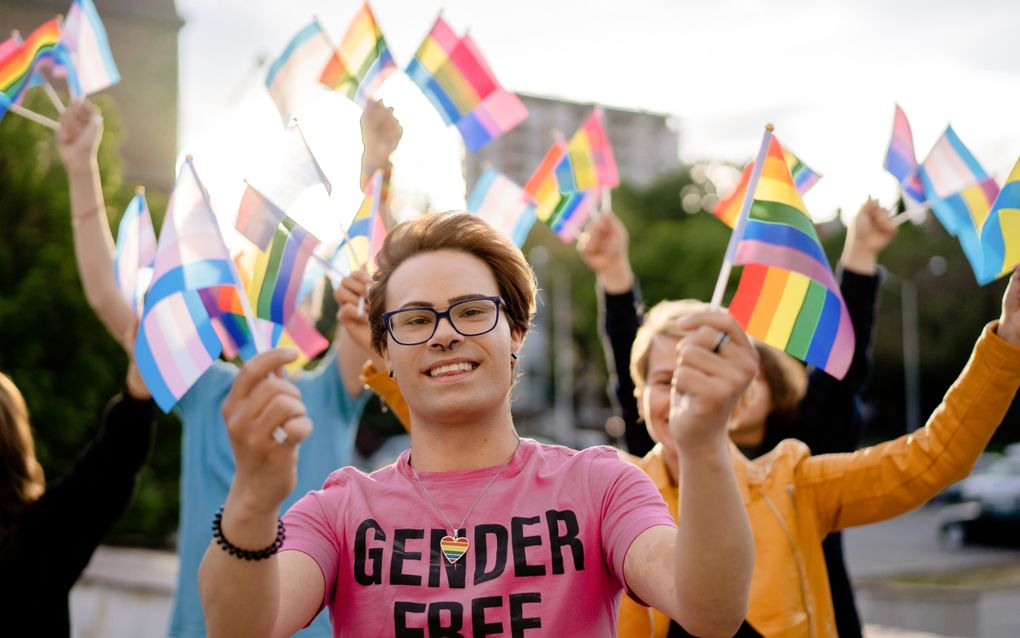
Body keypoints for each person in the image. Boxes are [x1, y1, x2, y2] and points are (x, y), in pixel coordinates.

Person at [198, 212, 757, 637]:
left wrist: (704, 445)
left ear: (514, 334)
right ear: (384, 352)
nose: (444, 334)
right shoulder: (338, 510)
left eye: (471, 311)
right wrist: (252, 497)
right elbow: (245, 627)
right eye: (415, 320)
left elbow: (710, 611)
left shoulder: (601, 486)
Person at [57, 98, 404, 638]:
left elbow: (372, 275)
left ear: (318, 315)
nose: (276, 293)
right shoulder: (204, 385)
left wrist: (376, 164)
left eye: (296, 286)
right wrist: (81, 168)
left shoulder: (332, 393)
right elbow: (108, 298)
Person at [603, 275, 1020, 633]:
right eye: (663, 381)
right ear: (637, 399)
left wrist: (1008, 342)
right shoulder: (611, 499)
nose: (682, 392)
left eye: (699, 374)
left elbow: (932, 458)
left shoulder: (792, 482)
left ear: (739, 393)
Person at [578, 201, 895, 637]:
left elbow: (843, 372)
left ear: (769, 385)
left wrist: (860, 254)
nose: (710, 387)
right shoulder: (666, 451)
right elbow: (634, 363)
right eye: (692, 377)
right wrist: (614, 274)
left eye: (741, 376)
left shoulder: (807, 447)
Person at [0, 336, 155, 636]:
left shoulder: (41, 534)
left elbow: (112, 464)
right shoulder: (45, 533)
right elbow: (114, 464)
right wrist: (137, 392)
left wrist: (137, 396)